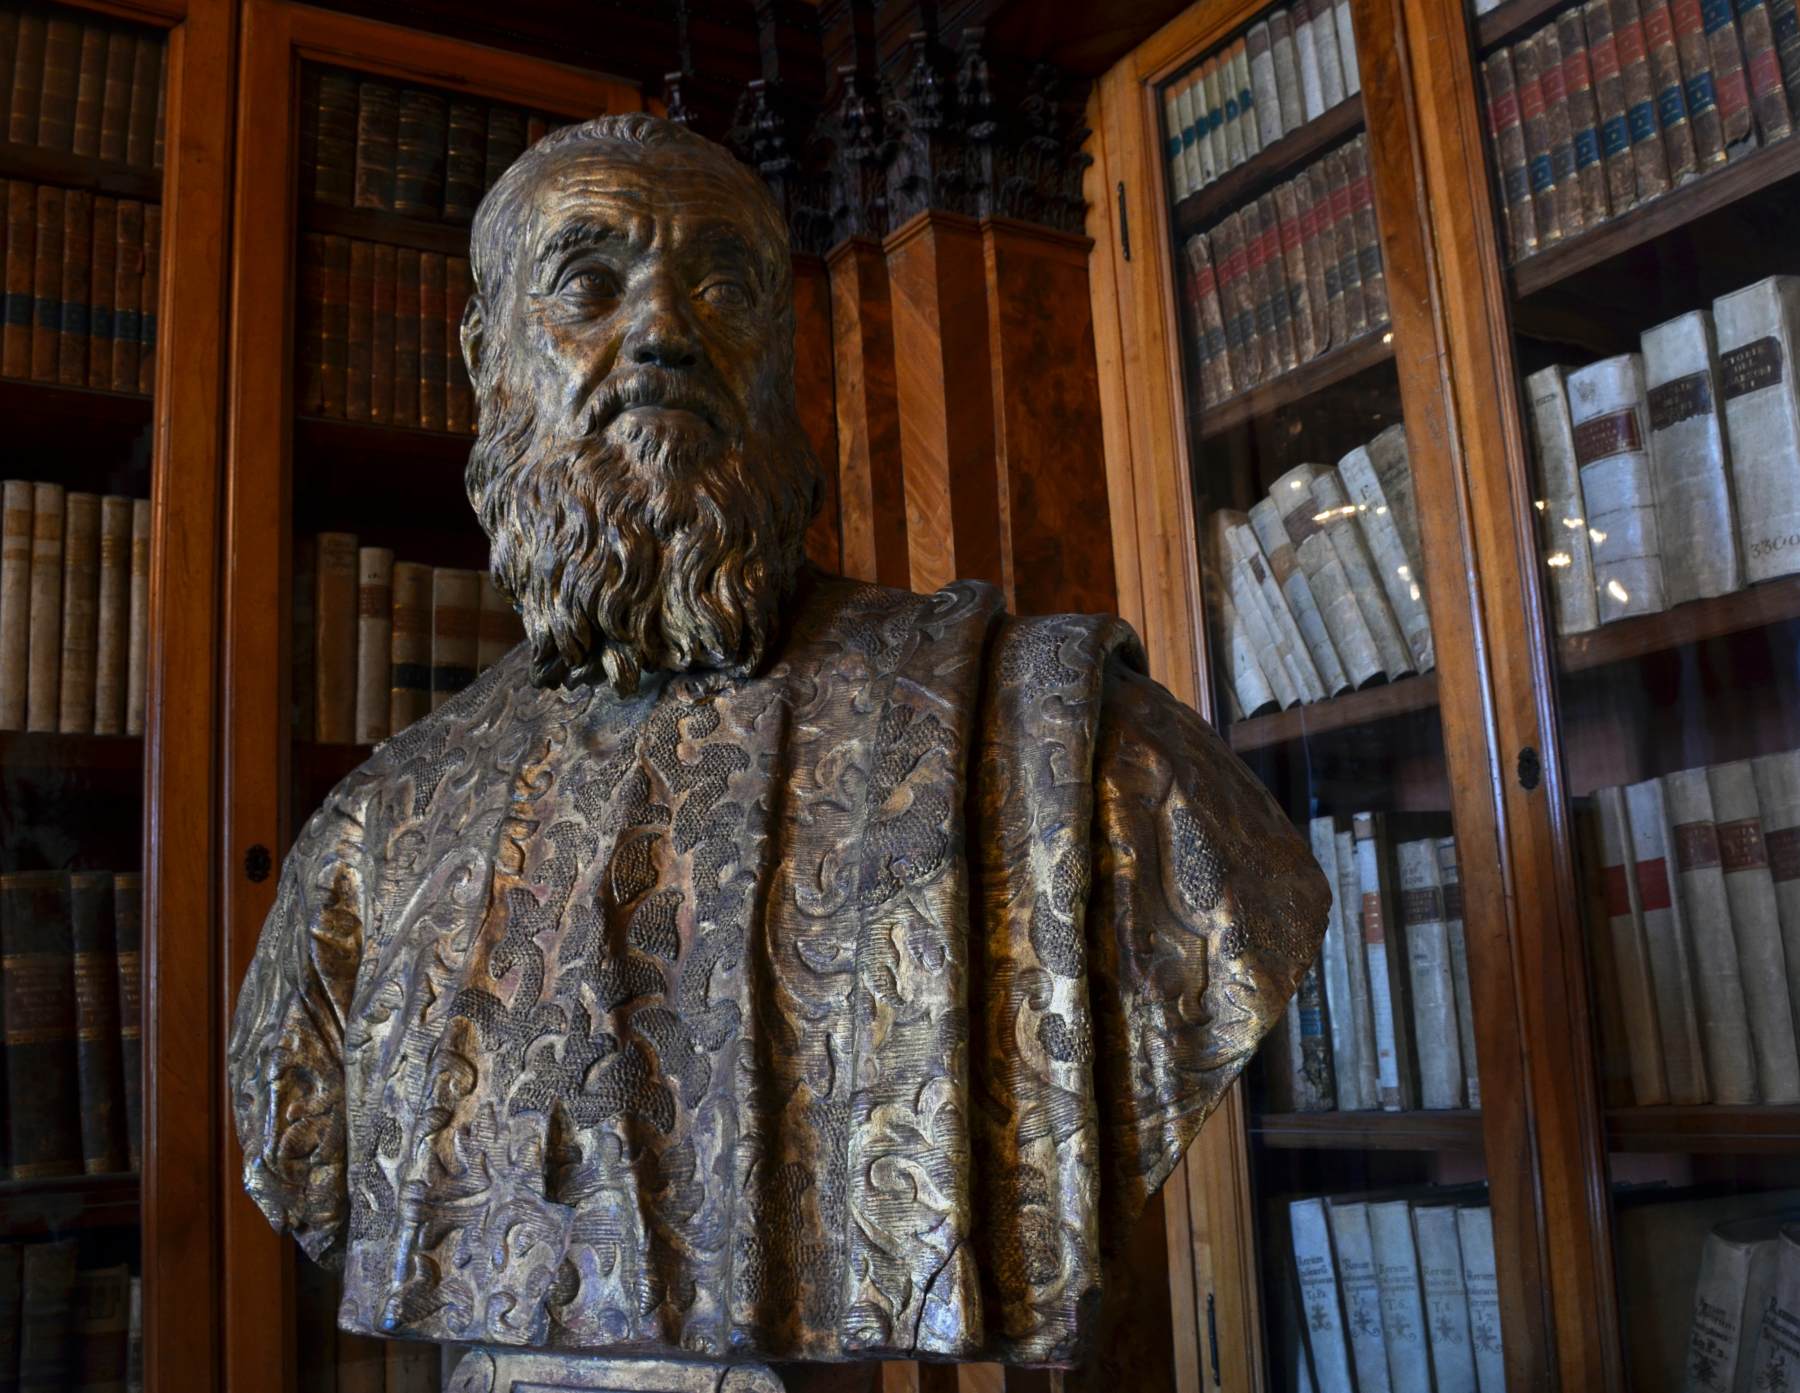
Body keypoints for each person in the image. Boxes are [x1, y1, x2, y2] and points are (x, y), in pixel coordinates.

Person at [228, 113, 1327, 1373]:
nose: (662, 331)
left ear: (780, 355)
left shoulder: (1063, 752)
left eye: (721, 282)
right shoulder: (370, 844)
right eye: (589, 282)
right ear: (489, 357)